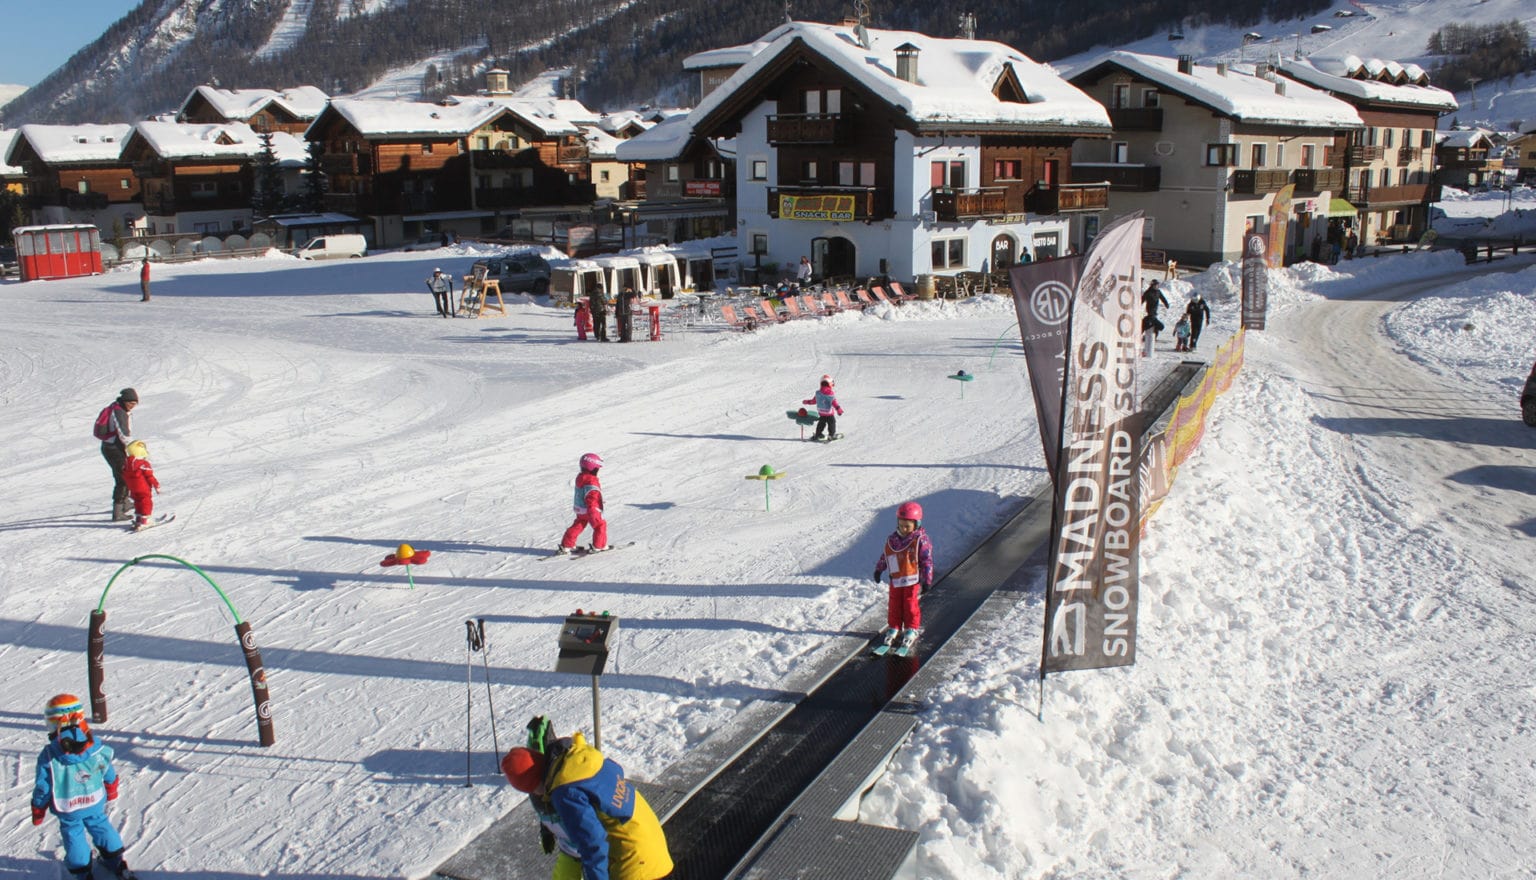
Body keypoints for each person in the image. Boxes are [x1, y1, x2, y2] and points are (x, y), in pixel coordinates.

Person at [502, 719, 672, 880]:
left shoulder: (564, 791)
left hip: (634, 859)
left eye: (532, 790)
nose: (537, 795)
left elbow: (593, 844)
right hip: (648, 835)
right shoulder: (577, 761)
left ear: (534, 782)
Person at [31, 694, 138, 880]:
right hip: (94, 799)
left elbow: (43, 787)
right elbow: (107, 769)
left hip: (68, 806)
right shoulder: (94, 747)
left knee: (73, 834)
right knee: (100, 823)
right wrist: (111, 788)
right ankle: (116, 862)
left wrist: (39, 808)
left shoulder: (49, 755)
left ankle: (82, 873)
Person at [872, 501, 934, 653]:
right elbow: (887, 555)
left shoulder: (920, 540)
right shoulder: (893, 539)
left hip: (912, 580)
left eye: (908, 526)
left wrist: (927, 580)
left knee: (910, 605)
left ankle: (911, 628)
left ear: (916, 524)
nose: (904, 529)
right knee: (894, 604)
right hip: (896, 579)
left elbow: (927, 560)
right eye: (901, 525)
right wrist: (879, 569)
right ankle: (894, 626)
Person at [94, 389, 137, 521]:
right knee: (123, 478)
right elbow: (123, 433)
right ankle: (118, 511)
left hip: (111, 447)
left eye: (135, 403)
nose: (132, 406)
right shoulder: (119, 411)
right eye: (130, 403)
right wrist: (135, 450)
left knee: (122, 475)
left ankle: (125, 502)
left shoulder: (116, 407)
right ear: (124, 401)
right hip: (114, 448)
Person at [556, 453, 607, 555]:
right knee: (600, 525)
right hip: (591, 509)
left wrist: (598, 499)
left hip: (580, 508)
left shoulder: (580, 477)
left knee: (579, 524)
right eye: (597, 468)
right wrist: (594, 506)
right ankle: (599, 546)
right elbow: (592, 495)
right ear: (593, 468)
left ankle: (567, 545)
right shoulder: (592, 481)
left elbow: (585, 493)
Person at [122, 440, 161, 531]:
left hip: (133, 489)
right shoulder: (143, 464)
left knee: (138, 501)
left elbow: (124, 476)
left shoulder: (126, 465)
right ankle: (145, 520)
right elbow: (149, 476)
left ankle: (139, 518)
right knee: (146, 502)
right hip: (143, 488)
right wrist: (156, 485)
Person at [802, 376, 843, 442]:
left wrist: (807, 402)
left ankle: (818, 434)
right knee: (832, 422)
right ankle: (831, 435)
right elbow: (834, 402)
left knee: (821, 423)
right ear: (830, 384)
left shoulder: (818, 393)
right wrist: (838, 409)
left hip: (821, 412)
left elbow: (814, 401)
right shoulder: (830, 393)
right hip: (829, 413)